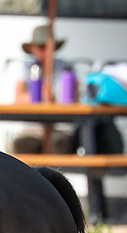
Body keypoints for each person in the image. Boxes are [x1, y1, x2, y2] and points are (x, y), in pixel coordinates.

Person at [11, 24, 78, 155]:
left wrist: (50, 98)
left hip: (60, 128)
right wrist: (40, 96)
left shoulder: (66, 68)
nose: (45, 51)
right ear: (32, 48)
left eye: (48, 47)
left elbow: (72, 99)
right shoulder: (26, 67)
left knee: (59, 145)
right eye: (41, 47)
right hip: (32, 129)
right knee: (22, 146)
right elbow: (18, 98)